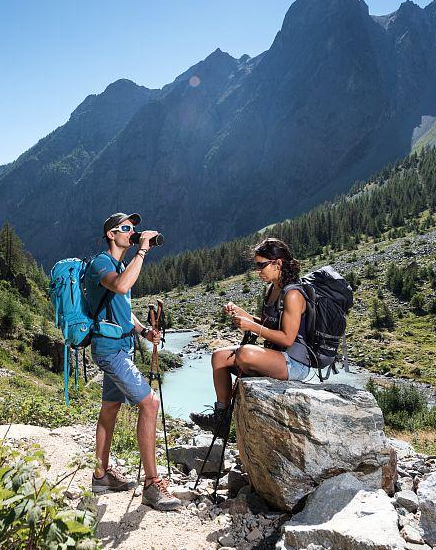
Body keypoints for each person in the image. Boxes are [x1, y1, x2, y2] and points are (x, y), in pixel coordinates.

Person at [83, 212, 182, 511]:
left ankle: (101, 475)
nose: (133, 232)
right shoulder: (102, 263)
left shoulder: (120, 264)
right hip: (109, 349)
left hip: (121, 346)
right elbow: (122, 287)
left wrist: (143, 331)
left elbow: (121, 306)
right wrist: (142, 251)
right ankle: (152, 485)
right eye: (126, 228)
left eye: (134, 228)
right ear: (112, 234)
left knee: (110, 408)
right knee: (150, 403)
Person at [190, 237, 313, 435]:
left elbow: (287, 338)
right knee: (219, 357)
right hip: (275, 356)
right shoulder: (273, 289)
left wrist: (252, 327)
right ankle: (221, 418)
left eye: (261, 265)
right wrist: (242, 313)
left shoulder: (292, 294)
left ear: (278, 263)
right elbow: (268, 324)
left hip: (294, 362)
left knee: (244, 353)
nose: (258, 271)